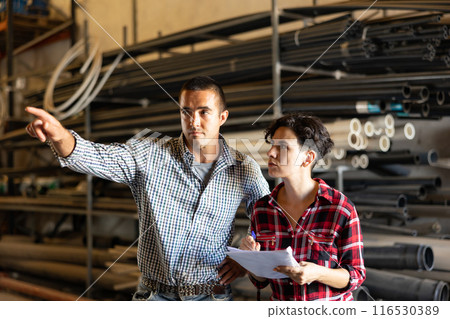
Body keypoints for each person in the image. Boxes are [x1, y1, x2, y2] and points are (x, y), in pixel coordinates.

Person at [26, 75, 270, 301]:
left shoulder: (242, 169)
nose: (193, 122)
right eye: (186, 111)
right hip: (155, 298)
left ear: (222, 117)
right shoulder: (150, 154)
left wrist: (246, 259)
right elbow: (96, 157)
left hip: (212, 298)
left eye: (204, 112)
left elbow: (270, 219)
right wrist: (59, 136)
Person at [239, 113, 365, 301]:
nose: (271, 153)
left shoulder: (340, 209)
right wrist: (253, 260)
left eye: (282, 148)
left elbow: (355, 275)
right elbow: (260, 281)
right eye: (272, 145)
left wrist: (319, 273)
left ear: (307, 158)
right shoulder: (262, 209)